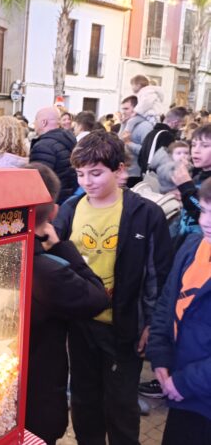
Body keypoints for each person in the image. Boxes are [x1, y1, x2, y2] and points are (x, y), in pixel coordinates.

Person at [53, 131, 172, 445]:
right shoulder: (70, 208)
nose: (87, 182)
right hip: (80, 325)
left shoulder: (146, 215)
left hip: (123, 326)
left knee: (120, 405)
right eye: (80, 174)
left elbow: (158, 277)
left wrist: (151, 324)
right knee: (83, 401)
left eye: (96, 173)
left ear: (120, 169)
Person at [25, 162, 109, 445]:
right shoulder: (49, 272)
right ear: (55, 211)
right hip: (37, 402)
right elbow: (97, 297)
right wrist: (63, 247)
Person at [146, 178, 211, 445]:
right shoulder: (193, 246)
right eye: (206, 210)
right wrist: (160, 357)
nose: (206, 221)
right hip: (179, 389)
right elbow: (167, 301)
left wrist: (184, 383)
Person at [29, 106, 78, 204]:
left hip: (51, 203)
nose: (34, 123)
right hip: (68, 199)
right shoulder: (68, 139)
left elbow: (40, 182)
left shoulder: (43, 146)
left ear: (44, 122)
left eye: (36, 119)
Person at [172, 124, 211, 239]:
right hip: (185, 238)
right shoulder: (198, 174)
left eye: (205, 145)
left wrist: (186, 188)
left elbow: (202, 210)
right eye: (193, 145)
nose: (196, 151)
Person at [138, 106, 188, 176]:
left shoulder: (152, 132)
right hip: (157, 178)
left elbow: (140, 158)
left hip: (145, 175)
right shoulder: (166, 136)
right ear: (175, 122)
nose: (182, 128)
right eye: (182, 124)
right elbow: (165, 162)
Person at [119, 95, 154, 186]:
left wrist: (129, 143)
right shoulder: (127, 123)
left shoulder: (145, 126)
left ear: (136, 110)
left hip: (136, 175)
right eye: (122, 109)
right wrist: (123, 125)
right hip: (125, 172)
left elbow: (147, 152)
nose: (123, 112)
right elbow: (119, 144)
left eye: (126, 109)